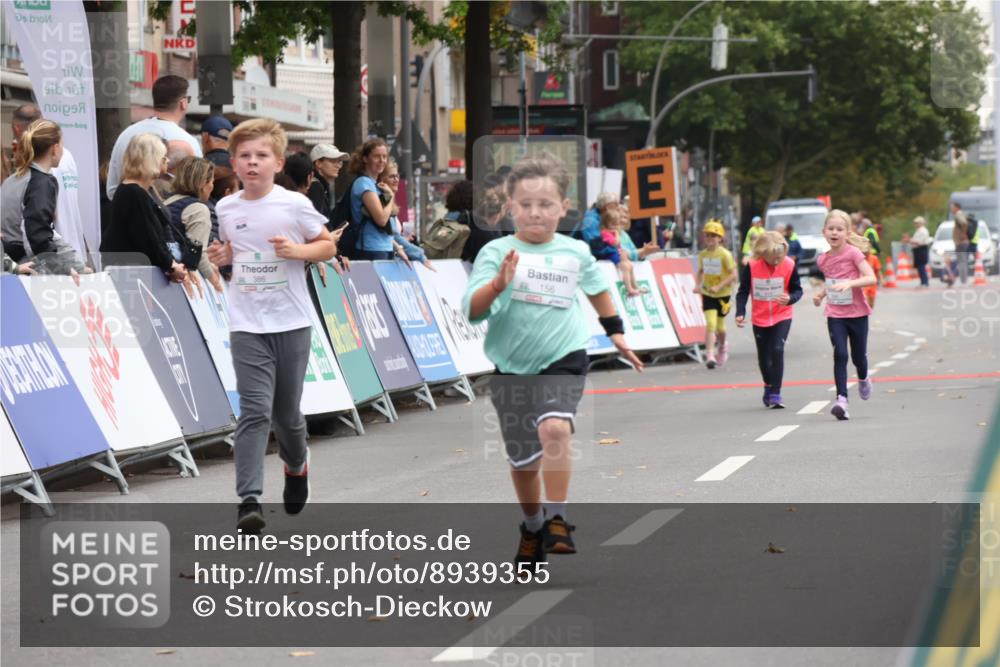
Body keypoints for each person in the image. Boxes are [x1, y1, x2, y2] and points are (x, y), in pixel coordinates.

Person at [462, 155, 643, 572]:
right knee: (523, 463)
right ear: (510, 206)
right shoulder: (496, 251)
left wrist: (615, 332)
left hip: (564, 356)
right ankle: (532, 526)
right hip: (511, 366)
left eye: (545, 204)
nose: (535, 212)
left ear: (563, 207)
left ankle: (558, 520)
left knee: (555, 427)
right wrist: (496, 285)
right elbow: (472, 312)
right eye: (525, 204)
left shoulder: (575, 251)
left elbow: (598, 290)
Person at [205, 118, 339, 533]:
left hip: (292, 321)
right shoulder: (226, 207)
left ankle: (296, 466)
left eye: (261, 156)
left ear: (278, 163)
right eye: (244, 155)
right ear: (233, 161)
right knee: (254, 411)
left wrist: (297, 249)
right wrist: (223, 257)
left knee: (287, 418)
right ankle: (249, 501)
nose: (252, 163)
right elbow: (231, 252)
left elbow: (329, 245)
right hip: (246, 322)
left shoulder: (293, 205)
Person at [813, 210, 877, 421]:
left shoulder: (853, 254)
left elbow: (871, 278)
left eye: (839, 229)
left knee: (859, 357)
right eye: (831, 229)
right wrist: (821, 295)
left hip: (857, 313)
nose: (834, 232)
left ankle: (863, 377)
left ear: (847, 233)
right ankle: (842, 400)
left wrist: (851, 283)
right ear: (824, 232)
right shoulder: (823, 260)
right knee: (840, 354)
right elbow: (831, 281)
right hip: (835, 313)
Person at [101, 133, 187, 283]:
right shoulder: (134, 192)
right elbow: (148, 237)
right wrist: (170, 265)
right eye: (163, 156)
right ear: (152, 158)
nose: (166, 161)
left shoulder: (138, 190)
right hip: (131, 276)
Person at [6, 119, 88, 275]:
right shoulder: (42, 182)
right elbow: (37, 233)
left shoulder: (16, 179)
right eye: (62, 146)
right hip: (21, 264)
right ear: (55, 149)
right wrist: (62, 268)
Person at [735, 231, 802, 409]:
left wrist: (790, 298)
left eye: (779, 257)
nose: (776, 261)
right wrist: (740, 312)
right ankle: (768, 384)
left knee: (777, 349)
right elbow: (742, 291)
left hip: (782, 315)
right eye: (772, 257)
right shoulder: (752, 266)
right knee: (764, 357)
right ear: (761, 253)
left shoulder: (789, 264)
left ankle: (776, 393)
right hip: (760, 317)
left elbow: (797, 290)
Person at [106, 75, 202, 199]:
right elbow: (199, 187)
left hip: (127, 214)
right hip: (172, 216)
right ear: (183, 103)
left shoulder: (127, 134)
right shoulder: (188, 141)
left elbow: (112, 189)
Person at [163, 156, 223, 291]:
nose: (212, 186)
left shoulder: (166, 202)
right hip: (181, 283)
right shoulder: (199, 209)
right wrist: (216, 284)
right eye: (212, 181)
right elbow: (198, 254)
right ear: (203, 183)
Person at [693, 220, 738, 369]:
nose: (710, 239)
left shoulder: (725, 255)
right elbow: (700, 272)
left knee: (721, 328)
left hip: (723, 295)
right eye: (707, 236)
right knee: (710, 324)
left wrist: (719, 286)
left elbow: (733, 275)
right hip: (708, 294)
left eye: (713, 236)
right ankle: (710, 355)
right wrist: (697, 285)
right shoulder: (703, 255)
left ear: (720, 238)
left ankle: (723, 346)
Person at [378, 159, 433, 270]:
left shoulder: (390, 202)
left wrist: (405, 240)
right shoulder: (382, 201)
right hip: (385, 261)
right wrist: (420, 255)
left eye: (397, 176)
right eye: (391, 176)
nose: (396, 180)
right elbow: (393, 236)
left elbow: (394, 237)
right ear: (382, 180)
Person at [347, 138, 396, 260]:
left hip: (385, 247)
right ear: (365, 158)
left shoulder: (375, 183)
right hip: (371, 248)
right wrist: (391, 197)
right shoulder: (363, 183)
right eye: (376, 156)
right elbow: (381, 219)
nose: (382, 161)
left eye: (384, 156)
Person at [600, 206, 643, 297]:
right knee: (626, 267)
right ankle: (629, 289)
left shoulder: (613, 232)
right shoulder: (605, 233)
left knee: (630, 265)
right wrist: (616, 233)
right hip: (611, 256)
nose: (615, 227)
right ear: (606, 224)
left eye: (616, 224)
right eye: (613, 225)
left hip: (617, 254)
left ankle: (635, 286)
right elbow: (616, 243)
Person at [577, 192, 623, 262]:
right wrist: (616, 251)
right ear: (607, 206)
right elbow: (596, 247)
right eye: (616, 204)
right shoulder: (590, 220)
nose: (618, 207)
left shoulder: (604, 218)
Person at [307, 143, 348, 220]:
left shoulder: (320, 185)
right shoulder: (315, 186)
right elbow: (315, 222)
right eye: (333, 161)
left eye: (339, 162)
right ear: (318, 163)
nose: (338, 166)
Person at [944, 204, 970, 287]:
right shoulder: (960, 214)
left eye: (952, 207)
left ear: (957, 207)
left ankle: (963, 281)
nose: (951, 209)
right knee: (963, 261)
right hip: (962, 241)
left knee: (962, 262)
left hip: (961, 242)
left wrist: (963, 234)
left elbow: (964, 223)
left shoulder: (958, 214)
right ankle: (964, 280)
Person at [909, 216, 931, 287]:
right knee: (919, 266)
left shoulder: (923, 231)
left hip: (921, 249)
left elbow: (920, 241)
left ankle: (925, 282)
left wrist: (911, 240)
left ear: (921, 223)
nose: (915, 224)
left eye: (917, 223)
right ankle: (922, 281)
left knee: (921, 266)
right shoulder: (918, 231)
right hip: (917, 249)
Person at [862, 244, 882, 309]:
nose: (866, 252)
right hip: (863, 283)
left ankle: (869, 312)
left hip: (872, 283)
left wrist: (881, 279)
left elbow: (878, 270)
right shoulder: (860, 259)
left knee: (871, 304)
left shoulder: (874, 258)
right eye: (864, 250)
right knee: (865, 301)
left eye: (867, 250)